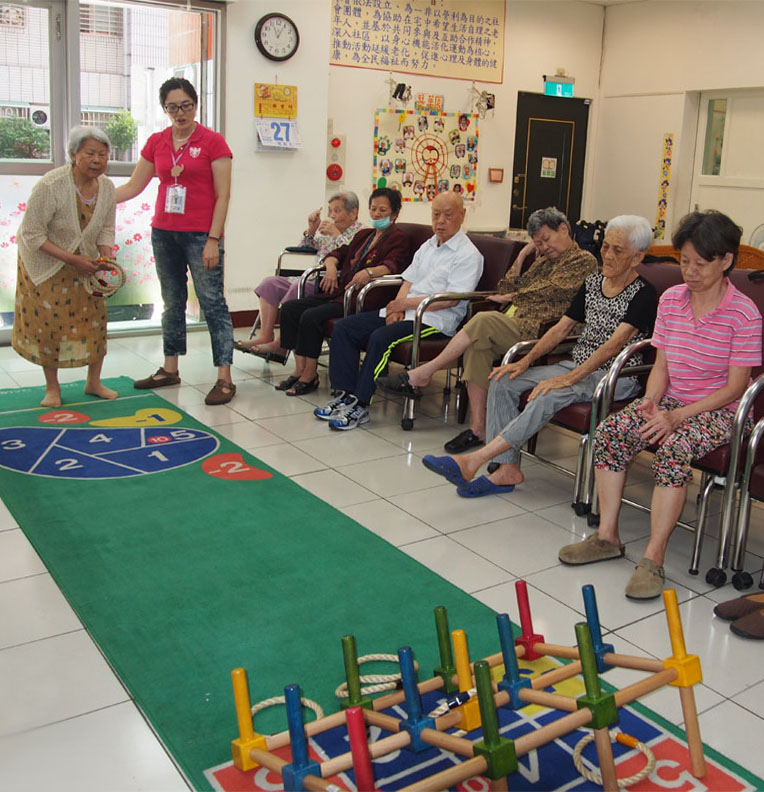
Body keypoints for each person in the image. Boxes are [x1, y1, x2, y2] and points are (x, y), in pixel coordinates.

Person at [559, 210, 762, 600]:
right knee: (612, 433)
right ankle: (608, 537)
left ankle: (653, 558)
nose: (690, 271)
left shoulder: (744, 314)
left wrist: (677, 416)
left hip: (722, 412)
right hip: (670, 401)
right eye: (684, 261)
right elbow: (662, 365)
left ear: (726, 262)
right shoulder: (671, 300)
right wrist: (651, 402)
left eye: (700, 264)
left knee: (673, 450)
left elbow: (737, 387)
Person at [421, 215, 658, 499]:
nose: (606, 255)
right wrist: (523, 361)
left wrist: (566, 379)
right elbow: (562, 328)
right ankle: (507, 469)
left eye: (616, 250)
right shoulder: (594, 282)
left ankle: (474, 460)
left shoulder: (644, 294)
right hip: (577, 365)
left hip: (615, 377)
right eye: (605, 246)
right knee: (504, 380)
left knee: (547, 395)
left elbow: (612, 347)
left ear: (637, 257)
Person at [378, 207, 596, 453]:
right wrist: (522, 257)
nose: (543, 247)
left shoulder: (583, 261)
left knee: (483, 322)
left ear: (564, 229)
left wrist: (512, 295)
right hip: (515, 324)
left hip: (545, 331)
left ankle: (425, 372)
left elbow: (551, 290)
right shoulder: (543, 262)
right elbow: (504, 286)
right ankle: (478, 429)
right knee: (477, 346)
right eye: (538, 243)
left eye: (546, 239)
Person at [313, 190, 483, 430]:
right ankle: (347, 395)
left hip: (433, 320)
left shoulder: (468, 255)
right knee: (344, 327)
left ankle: (361, 405)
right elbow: (408, 280)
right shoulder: (428, 245)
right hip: (407, 311)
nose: (440, 221)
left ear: (462, 215)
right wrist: (396, 307)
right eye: (436, 215)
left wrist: (404, 305)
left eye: (448, 215)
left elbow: (451, 300)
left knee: (380, 338)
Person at [114, 78, 236, 405]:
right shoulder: (156, 142)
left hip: (201, 236)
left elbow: (223, 196)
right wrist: (93, 197)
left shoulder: (213, 142)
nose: (179, 113)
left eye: (185, 105)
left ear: (195, 105)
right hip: (164, 232)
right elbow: (132, 187)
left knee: (212, 303)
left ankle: (224, 377)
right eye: (172, 107)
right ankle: (170, 369)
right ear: (164, 109)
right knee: (172, 301)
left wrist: (213, 238)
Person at [13, 126, 117, 408]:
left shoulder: (106, 187)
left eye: (103, 154)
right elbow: (31, 235)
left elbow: (106, 228)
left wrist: (106, 257)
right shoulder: (51, 185)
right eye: (90, 153)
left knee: (96, 320)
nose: (97, 160)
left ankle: (93, 382)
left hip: (86, 263)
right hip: (46, 263)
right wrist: (72, 260)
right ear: (74, 155)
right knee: (52, 324)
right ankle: (52, 388)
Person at [276, 187, 410, 396]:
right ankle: (299, 369)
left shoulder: (398, 238)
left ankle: (310, 375)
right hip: (341, 293)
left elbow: (393, 265)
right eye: (373, 209)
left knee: (311, 317)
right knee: (290, 309)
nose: (376, 214)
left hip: (363, 297)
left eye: (382, 210)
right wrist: (330, 266)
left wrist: (369, 272)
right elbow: (339, 252)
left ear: (394, 213)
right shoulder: (365, 235)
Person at [234, 192, 364, 362]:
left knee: (298, 287)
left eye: (337, 211)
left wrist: (336, 235)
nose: (332, 216)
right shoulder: (328, 232)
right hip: (310, 278)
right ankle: (266, 335)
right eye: (330, 211)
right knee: (269, 284)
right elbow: (305, 246)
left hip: (331, 283)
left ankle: (281, 344)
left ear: (353, 213)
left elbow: (353, 257)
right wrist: (311, 228)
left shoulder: (361, 232)